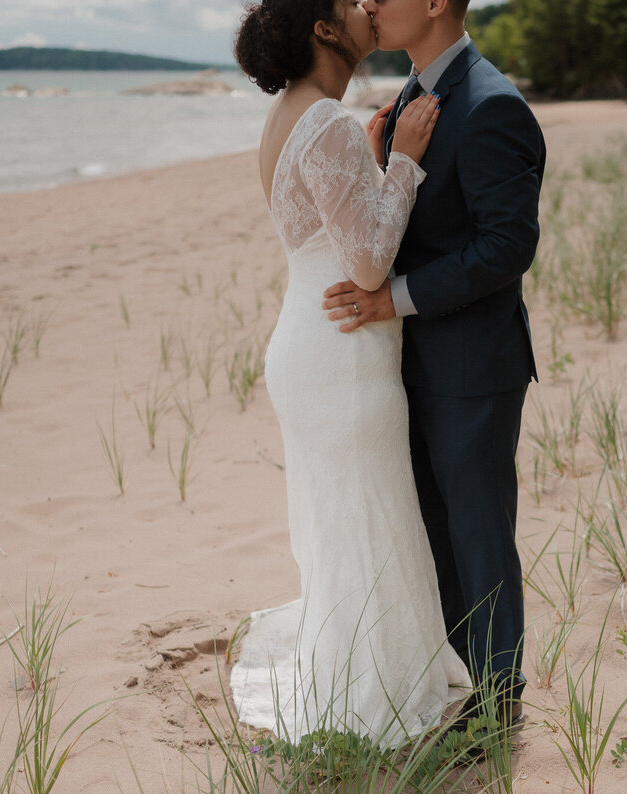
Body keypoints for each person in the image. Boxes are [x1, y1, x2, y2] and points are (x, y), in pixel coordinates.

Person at [229, 0, 470, 747]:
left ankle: (364, 669)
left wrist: (368, 164)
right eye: (351, 2)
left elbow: (331, 231)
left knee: (346, 523)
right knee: (368, 519)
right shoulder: (329, 120)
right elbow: (365, 261)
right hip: (342, 353)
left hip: (309, 343)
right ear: (324, 31)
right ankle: (376, 693)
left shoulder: (291, 117)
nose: (370, 4)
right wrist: (403, 161)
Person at [321, 0, 546, 728]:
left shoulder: (492, 107)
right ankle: (455, 691)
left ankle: (498, 710)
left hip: (474, 369)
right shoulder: (411, 99)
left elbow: (506, 247)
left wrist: (397, 299)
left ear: (437, 3)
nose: (370, 5)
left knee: (478, 539)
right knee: (430, 538)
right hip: (408, 365)